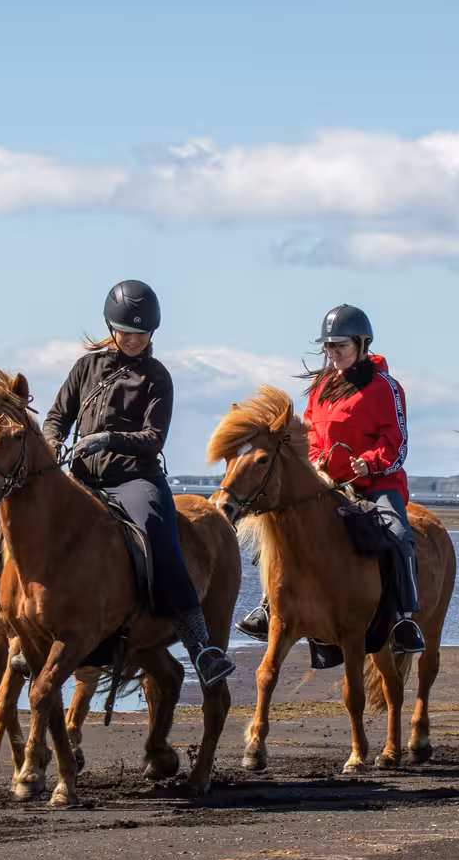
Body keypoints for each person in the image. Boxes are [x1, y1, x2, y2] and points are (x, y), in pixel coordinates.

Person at [42, 280, 236, 689]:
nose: (133, 339)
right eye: (126, 332)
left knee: (155, 534)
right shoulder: (85, 368)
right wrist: (55, 440)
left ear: (153, 333)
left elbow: (153, 438)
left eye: (141, 333)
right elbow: (57, 416)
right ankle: (33, 629)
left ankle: (201, 646)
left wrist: (106, 439)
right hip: (84, 478)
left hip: (135, 479)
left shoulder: (157, 377)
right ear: (111, 328)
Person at [233, 304, 427, 656]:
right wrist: (314, 460)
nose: (333, 353)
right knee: (276, 530)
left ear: (362, 344)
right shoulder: (322, 385)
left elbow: (396, 442)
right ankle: (268, 606)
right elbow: (309, 433)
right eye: (329, 347)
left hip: (377, 484)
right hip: (328, 483)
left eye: (340, 346)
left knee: (399, 534)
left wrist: (369, 464)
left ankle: (403, 619)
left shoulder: (386, 387)